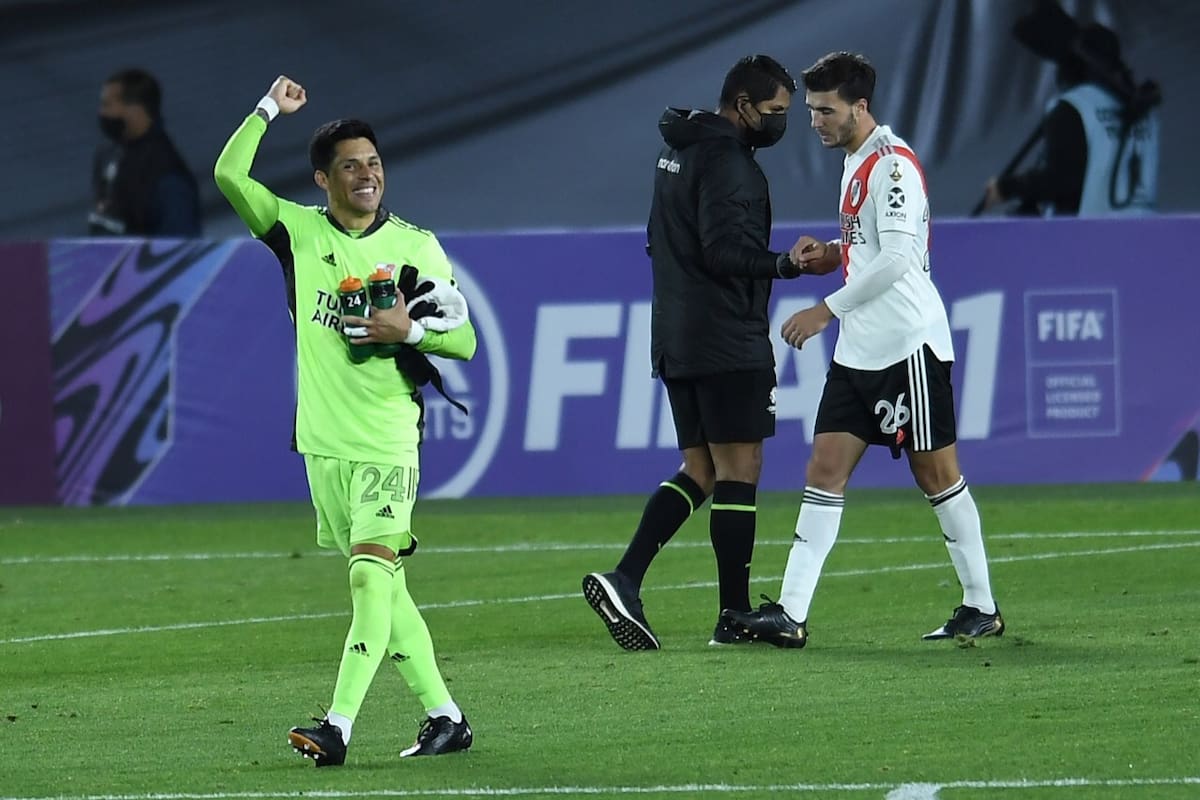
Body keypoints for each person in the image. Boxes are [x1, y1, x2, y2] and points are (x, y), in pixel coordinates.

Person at [214, 75, 477, 765]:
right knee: (387, 591)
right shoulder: (296, 232)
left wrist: (408, 332)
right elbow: (226, 173)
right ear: (323, 179)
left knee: (368, 577)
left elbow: (465, 339)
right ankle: (446, 717)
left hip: (389, 436)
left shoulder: (417, 248)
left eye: (375, 164)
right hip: (323, 444)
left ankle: (337, 726)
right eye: (352, 166)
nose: (368, 176)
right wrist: (269, 108)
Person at [722, 52, 1003, 648]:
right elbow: (872, 247)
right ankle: (791, 615)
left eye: (826, 110)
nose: (815, 121)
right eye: (812, 111)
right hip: (860, 353)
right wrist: (833, 253)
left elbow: (900, 259)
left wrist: (826, 307)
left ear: (860, 107)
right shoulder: (854, 163)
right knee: (824, 467)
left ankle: (981, 604)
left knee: (937, 475)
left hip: (909, 348)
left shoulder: (892, 166)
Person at [582, 55, 807, 651]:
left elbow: (662, 238)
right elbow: (723, 253)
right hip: (725, 337)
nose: (780, 123)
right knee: (741, 470)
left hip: (677, 333)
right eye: (775, 112)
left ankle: (625, 579)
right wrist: (787, 264)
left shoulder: (679, 147)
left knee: (701, 469)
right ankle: (734, 616)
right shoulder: (728, 161)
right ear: (742, 106)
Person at [983, 12, 1160, 217]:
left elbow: (1061, 180)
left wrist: (1007, 188)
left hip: (1087, 240)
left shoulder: (1075, 107)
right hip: (1144, 235)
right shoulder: (1144, 112)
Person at [90, 68, 202, 236]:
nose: (102, 113)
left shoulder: (166, 173)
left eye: (108, 105)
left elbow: (179, 244)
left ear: (135, 109)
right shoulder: (109, 154)